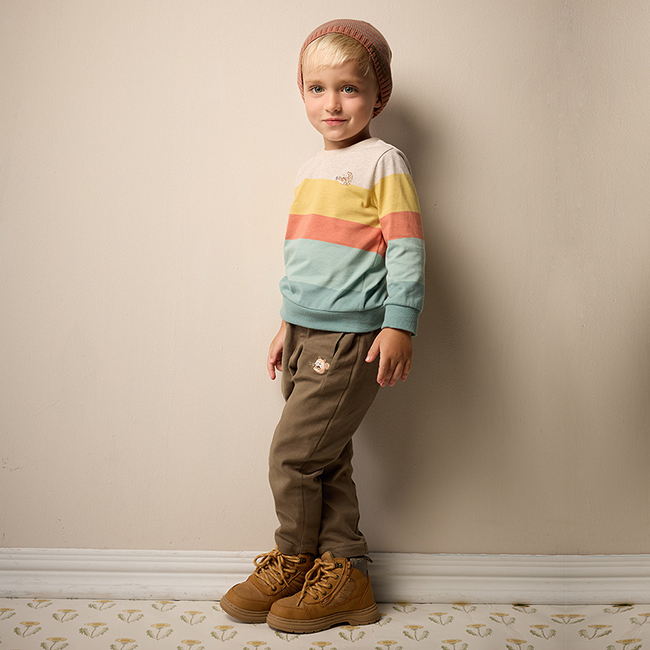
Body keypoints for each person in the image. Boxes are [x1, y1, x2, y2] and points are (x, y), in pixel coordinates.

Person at [220, 18, 425, 634]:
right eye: (317, 88)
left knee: (292, 456)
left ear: (378, 95)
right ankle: (344, 574)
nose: (332, 103)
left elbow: (406, 246)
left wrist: (400, 324)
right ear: (303, 92)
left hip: (349, 337)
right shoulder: (311, 167)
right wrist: (287, 323)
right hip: (306, 334)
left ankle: (293, 558)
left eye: (349, 88)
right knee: (324, 457)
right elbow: (305, 257)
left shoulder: (382, 161)